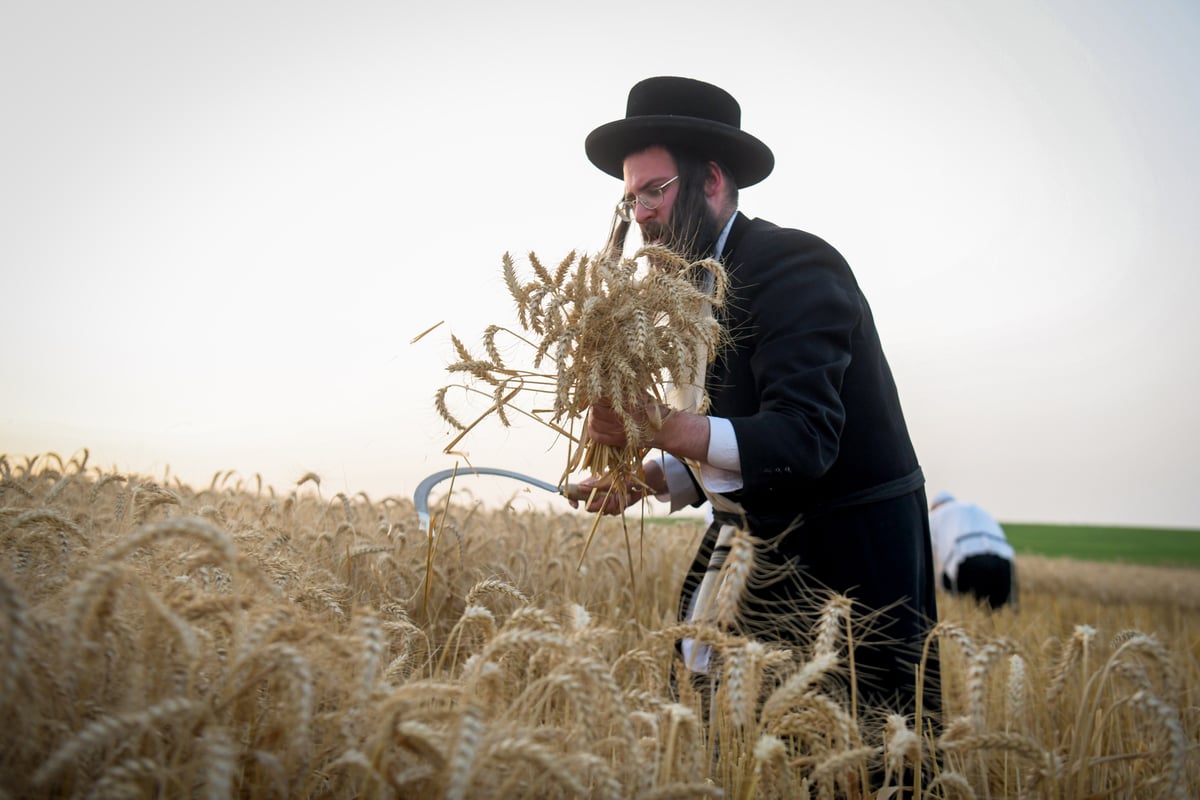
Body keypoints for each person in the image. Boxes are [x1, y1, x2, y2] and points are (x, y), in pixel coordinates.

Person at [573, 76, 941, 731]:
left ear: (712, 181)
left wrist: (653, 425)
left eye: (655, 190)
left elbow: (801, 439)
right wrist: (648, 478)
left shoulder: (795, 265)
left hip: (850, 572)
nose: (641, 213)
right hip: (759, 551)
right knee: (734, 742)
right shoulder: (686, 293)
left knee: (857, 758)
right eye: (631, 199)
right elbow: (733, 422)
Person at [928, 491, 1017, 609]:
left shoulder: (936, 515)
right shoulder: (976, 509)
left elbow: (928, 552)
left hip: (967, 561)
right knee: (995, 612)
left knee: (966, 610)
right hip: (1004, 562)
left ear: (935, 506)